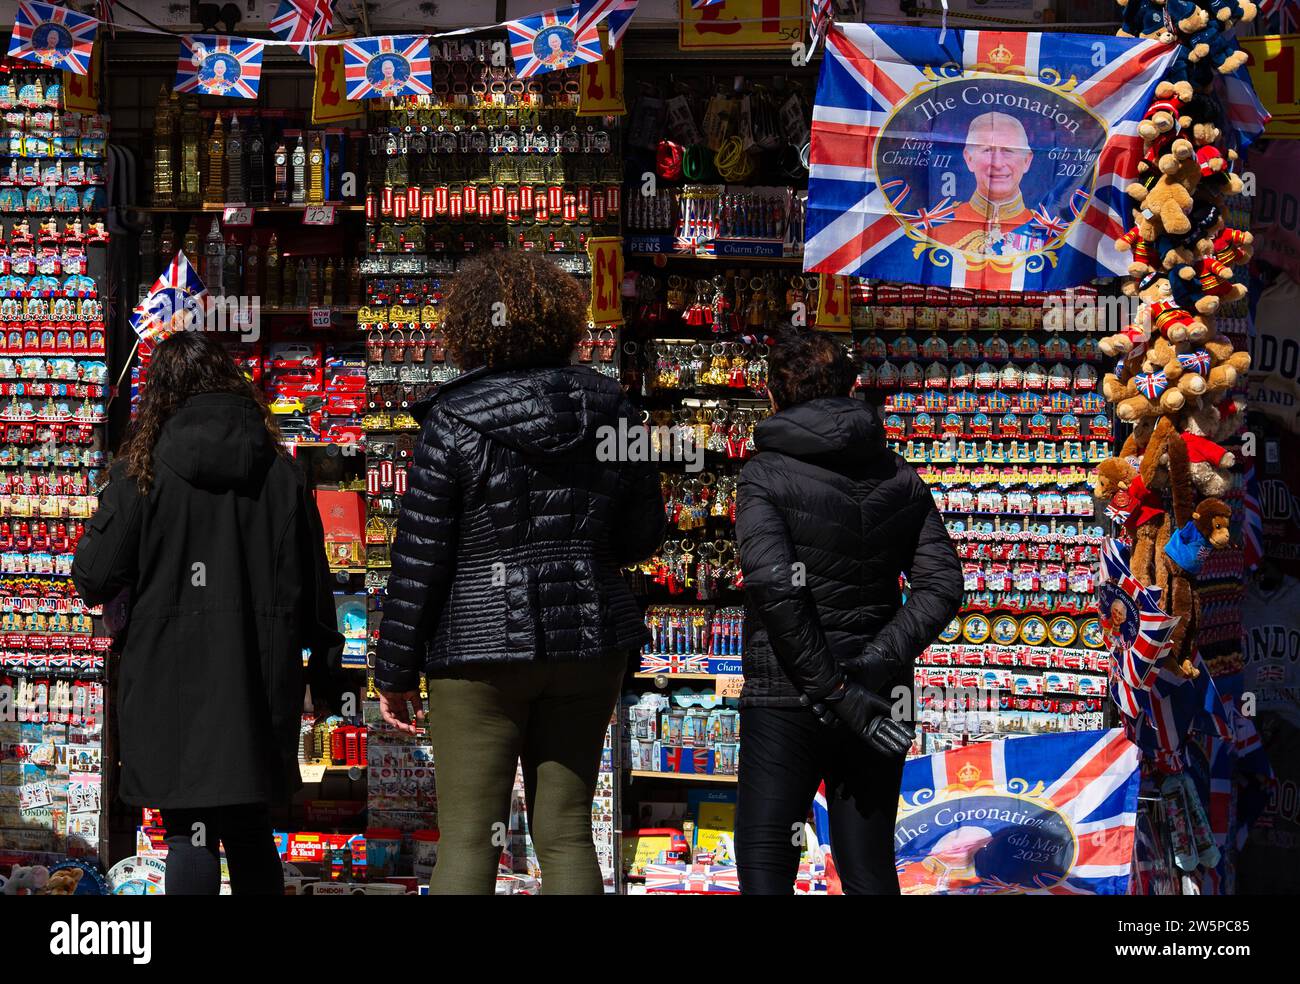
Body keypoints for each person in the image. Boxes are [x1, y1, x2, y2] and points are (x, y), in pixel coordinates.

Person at [375, 251, 665, 895]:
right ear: (565, 322)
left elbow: (420, 559)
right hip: (589, 640)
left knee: (470, 837)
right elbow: (645, 536)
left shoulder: (452, 420)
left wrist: (393, 672)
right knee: (565, 831)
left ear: (473, 327)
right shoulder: (618, 411)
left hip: (478, 650)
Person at [72, 331, 343, 895]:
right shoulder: (281, 474)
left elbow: (93, 577)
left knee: (189, 834)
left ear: (163, 394)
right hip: (259, 684)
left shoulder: (142, 471)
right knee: (248, 829)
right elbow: (317, 595)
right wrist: (327, 679)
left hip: (171, 685)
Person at [733, 330, 963, 895]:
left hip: (790, 693)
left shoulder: (763, 474)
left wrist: (837, 688)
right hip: (876, 697)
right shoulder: (898, 474)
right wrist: (875, 665)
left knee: (767, 863)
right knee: (868, 866)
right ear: (851, 387)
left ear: (771, 395)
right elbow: (941, 585)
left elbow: (776, 591)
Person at [927, 111, 1043, 255]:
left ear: (1027, 161)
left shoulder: (1046, 230)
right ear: (969, 159)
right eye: (987, 150)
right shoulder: (937, 226)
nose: (998, 164)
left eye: (1008, 151)